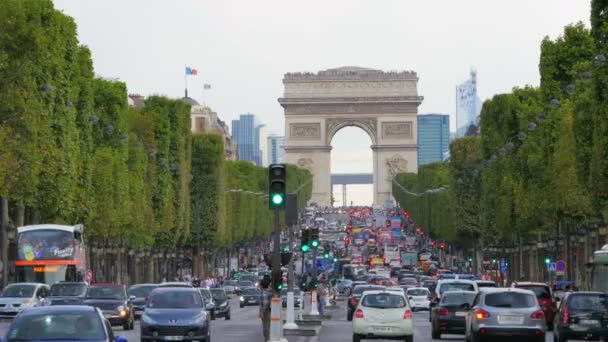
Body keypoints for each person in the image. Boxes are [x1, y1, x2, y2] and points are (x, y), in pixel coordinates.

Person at [259, 275, 272, 341]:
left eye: (260, 285)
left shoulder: (264, 292)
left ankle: (267, 339)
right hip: (267, 311)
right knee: (267, 327)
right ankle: (267, 339)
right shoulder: (269, 291)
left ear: (262, 286)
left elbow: (264, 304)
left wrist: (262, 312)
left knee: (266, 327)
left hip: (266, 312)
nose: (259, 286)